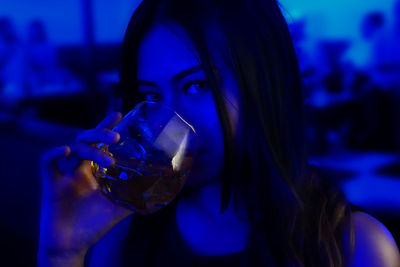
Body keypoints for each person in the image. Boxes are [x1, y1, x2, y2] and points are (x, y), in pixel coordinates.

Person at [37, 0, 400, 266]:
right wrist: (62, 253)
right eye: (151, 96)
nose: (169, 121)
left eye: (197, 86)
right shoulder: (123, 231)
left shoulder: (355, 248)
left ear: (265, 84)